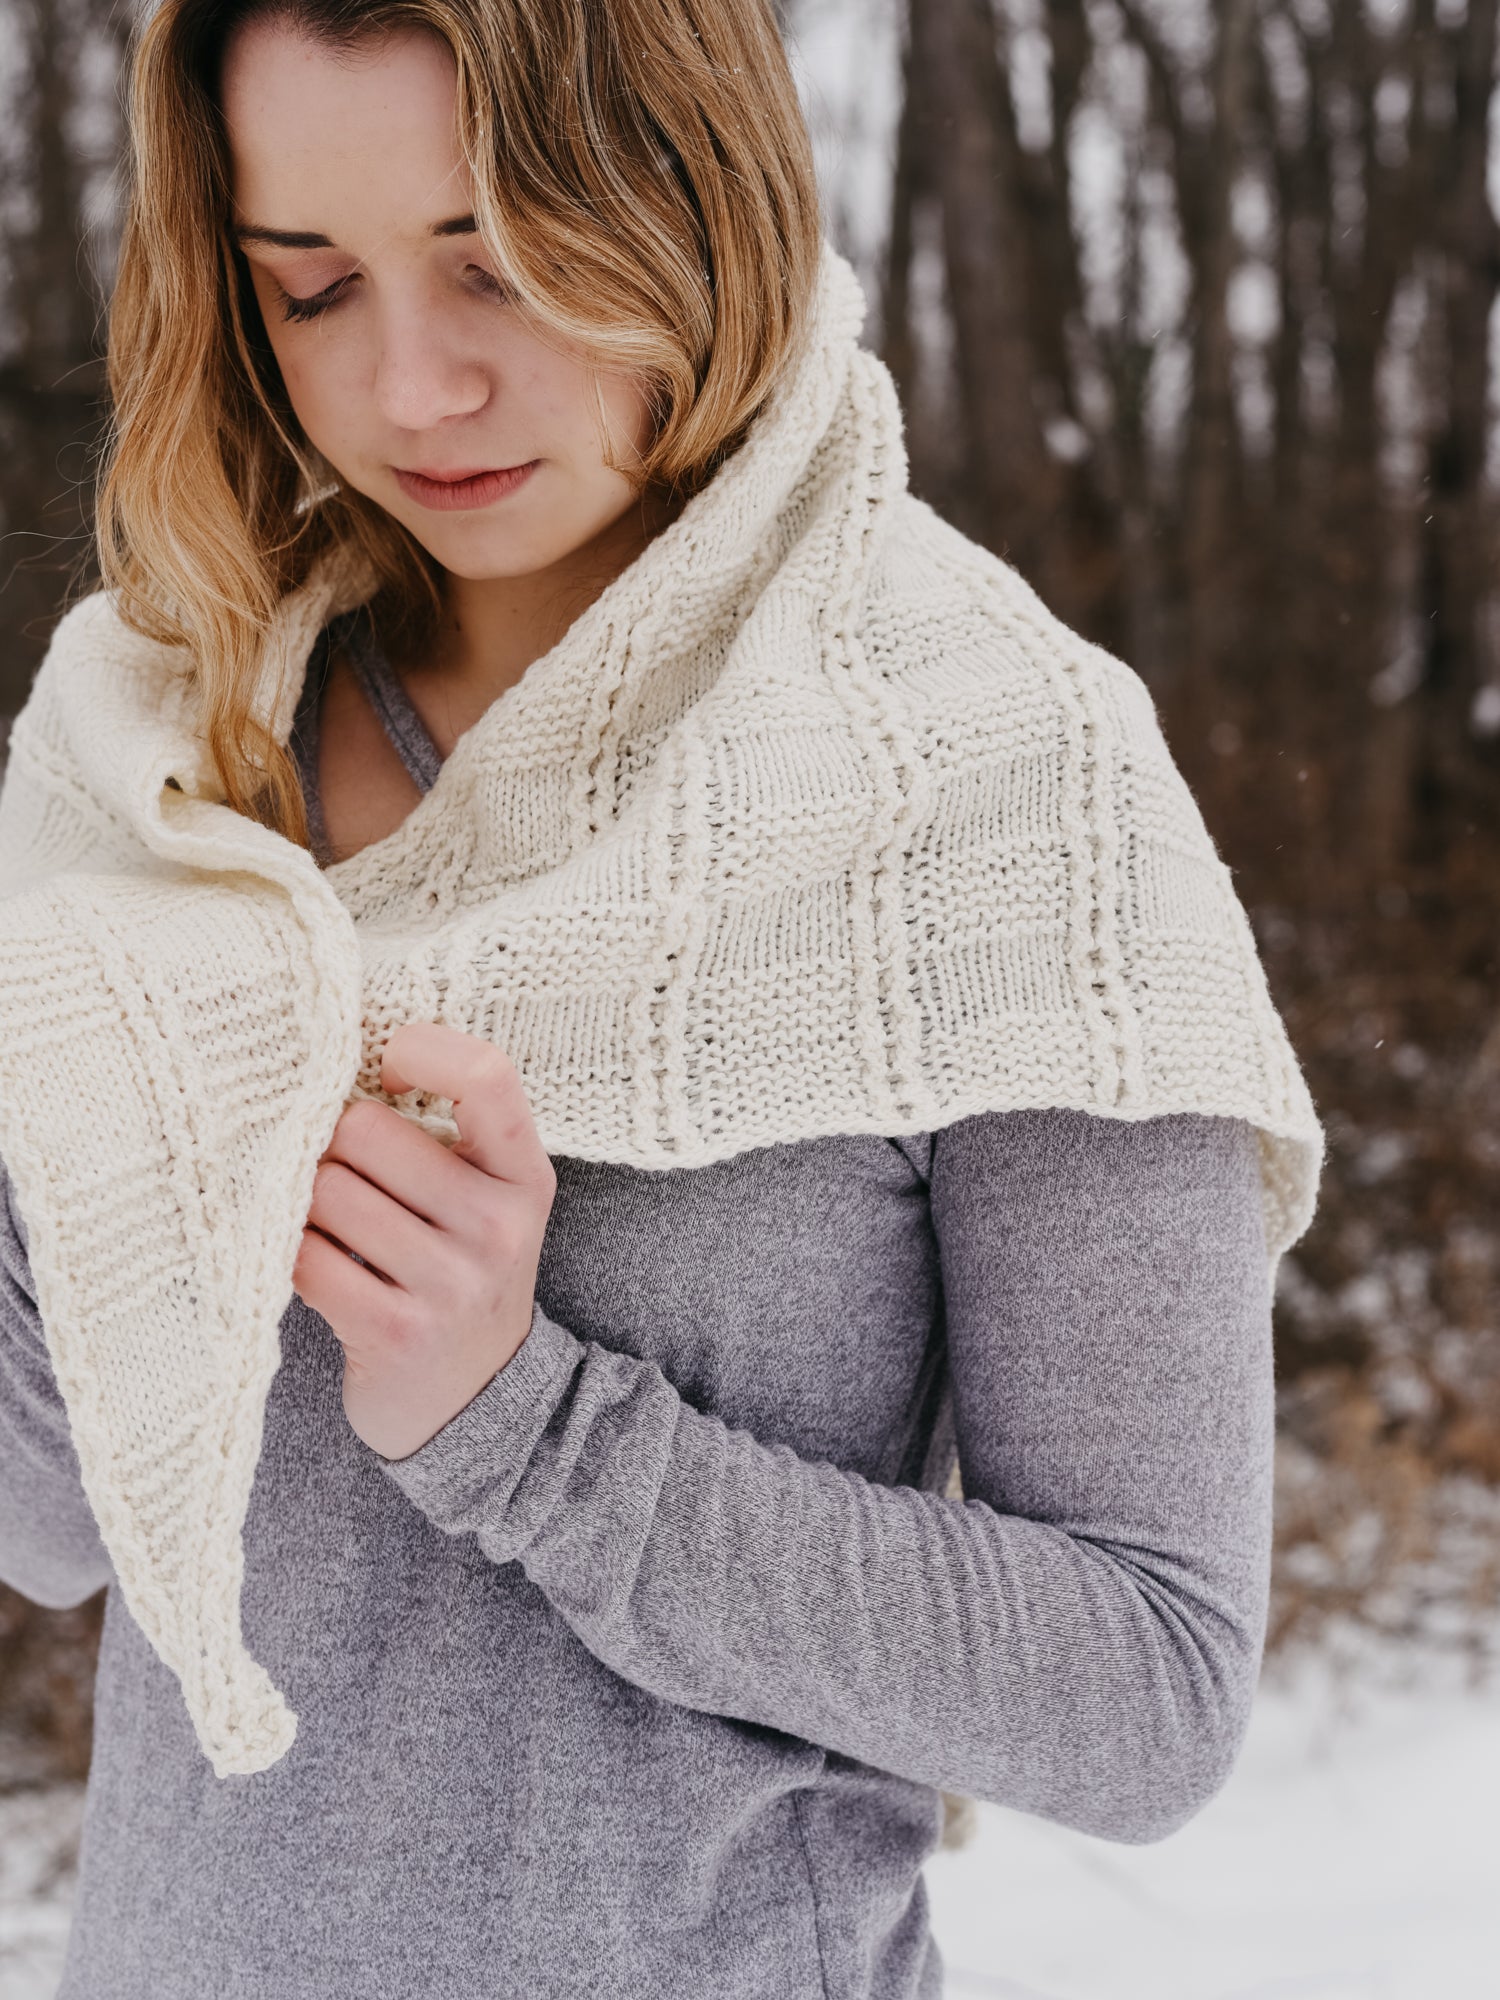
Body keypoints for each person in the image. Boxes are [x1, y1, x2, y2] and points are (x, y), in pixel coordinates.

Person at [0, 2, 1324, 1996]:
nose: (413, 383)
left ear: (694, 189)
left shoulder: (998, 777)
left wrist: (526, 1426)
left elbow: (1147, 1687)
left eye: (501, 258)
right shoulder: (165, 749)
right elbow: (45, 1514)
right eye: (315, 287)